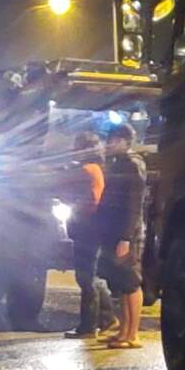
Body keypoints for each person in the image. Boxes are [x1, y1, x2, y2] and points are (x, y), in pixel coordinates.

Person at [96, 124, 147, 350]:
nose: (110, 144)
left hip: (126, 234)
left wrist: (126, 238)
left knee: (131, 283)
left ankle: (132, 333)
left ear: (126, 141)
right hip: (113, 231)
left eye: (114, 140)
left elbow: (134, 205)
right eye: (109, 140)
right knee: (120, 282)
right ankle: (123, 330)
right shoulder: (119, 164)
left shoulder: (133, 165)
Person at [63, 131, 115, 340]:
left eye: (78, 146)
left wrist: (73, 205)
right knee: (92, 275)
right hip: (93, 229)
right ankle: (107, 317)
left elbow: (92, 200)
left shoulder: (87, 170)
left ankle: (88, 326)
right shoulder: (97, 169)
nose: (74, 150)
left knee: (85, 277)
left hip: (86, 229)